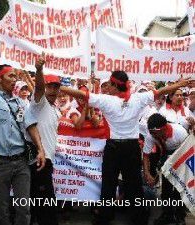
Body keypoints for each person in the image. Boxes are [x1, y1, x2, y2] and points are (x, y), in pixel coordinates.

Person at [60, 70, 193, 225]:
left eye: (110, 84)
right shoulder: (138, 98)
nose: (108, 86)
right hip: (131, 148)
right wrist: (179, 84)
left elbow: (81, 95)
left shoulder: (106, 100)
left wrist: (59, 88)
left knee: (109, 185)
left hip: (113, 148)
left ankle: (104, 218)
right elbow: (162, 91)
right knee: (134, 186)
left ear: (116, 86)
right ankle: (138, 219)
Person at [0, 29, 45, 225]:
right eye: (11, 76)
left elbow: (31, 126)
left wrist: (40, 149)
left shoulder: (20, 103)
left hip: (21, 162)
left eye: (15, 76)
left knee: (24, 208)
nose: (15, 79)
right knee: (2, 209)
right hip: (0, 164)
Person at [27, 54, 60, 225]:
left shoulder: (56, 109)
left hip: (47, 159)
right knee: (46, 201)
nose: (53, 90)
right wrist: (39, 69)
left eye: (56, 87)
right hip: (39, 160)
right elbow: (39, 88)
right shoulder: (38, 103)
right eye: (50, 86)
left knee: (38, 200)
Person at [143, 113, 189, 225]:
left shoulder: (180, 132)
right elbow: (145, 155)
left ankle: (180, 216)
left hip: (181, 156)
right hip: (165, 156)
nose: (152, 135)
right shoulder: (151, 135)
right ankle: (167, 215)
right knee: (166, 190)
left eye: (155, 133)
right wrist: (147, 173)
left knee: (180, 189)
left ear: (163, 128)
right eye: (151, 133)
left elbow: (188, 151)